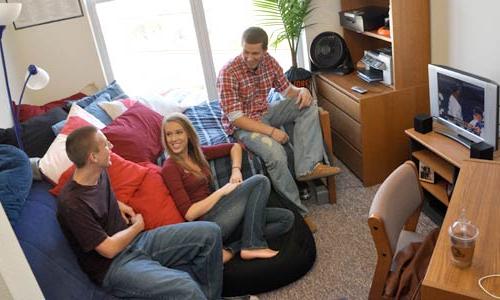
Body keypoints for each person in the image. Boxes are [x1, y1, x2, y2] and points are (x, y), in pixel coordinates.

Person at [57, 126, 223, 300]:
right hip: (114, 266)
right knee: (185, 286)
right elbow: (109, 249)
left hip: (135, 242)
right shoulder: (72, 204)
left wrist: (118, 204)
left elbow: (97, 198)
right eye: (106, 144)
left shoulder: (98, 172)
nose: (111, 146)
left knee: (210, 233)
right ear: (93, 157)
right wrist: (137, 226)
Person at [216, 26, 340, 230]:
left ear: (265, 50)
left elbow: (286, 90)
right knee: (276, 155)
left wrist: (302, 91)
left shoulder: (270, 62)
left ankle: (306, 168)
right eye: (245, 51)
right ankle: (300, 213)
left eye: (255, 53)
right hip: (244, 124)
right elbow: (236, 119)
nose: (249, 57)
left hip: (265, 112)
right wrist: (272, 132)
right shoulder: (228, 71)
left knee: (309, 105)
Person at [160, 113, 294, 262]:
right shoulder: (170, 167)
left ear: (189, 134)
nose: (173, 139)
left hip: (225, 213)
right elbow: (190, 214)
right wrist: (222, 191)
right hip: (208, 222)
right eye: (169, 134)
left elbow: (234, 147)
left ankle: (233, 248)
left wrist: (235, 170)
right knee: (260, 181)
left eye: (179, 132)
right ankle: (253, 245)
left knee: (286, 219)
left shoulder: (196, 154)